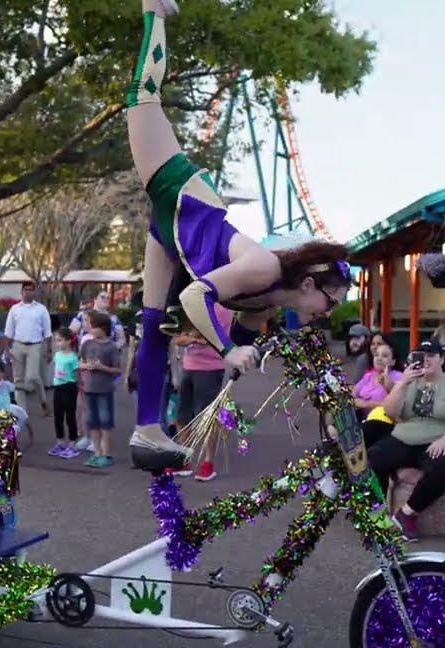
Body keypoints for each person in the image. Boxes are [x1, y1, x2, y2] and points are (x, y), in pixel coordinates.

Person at [123, 0, 352, 468]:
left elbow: (241, 344)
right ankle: (155, 12)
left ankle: (147, 431)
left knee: (152, 328)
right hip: (181, 192)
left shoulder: (267, 303)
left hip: (171, 237)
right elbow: (196, 301)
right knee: (144, 97)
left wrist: (244, 356)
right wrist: (229, 349)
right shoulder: (265, 267)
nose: (326, 313)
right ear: (309, 284)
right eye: (330, 303)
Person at [367, 340, 445, 542]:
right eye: (420, 354)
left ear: (441, 359)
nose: (425, 359)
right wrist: (402, 384)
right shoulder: (408, 382)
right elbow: (390, 412)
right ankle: (378, 516)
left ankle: (407, 514)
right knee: (372, 459)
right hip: (404, 437)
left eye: (430, 355)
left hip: (438, 439)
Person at [172, 303, 231, 482]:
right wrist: (189, 337)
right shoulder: (193, 303)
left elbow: (204, 333)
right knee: (181, 417)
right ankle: (185, 460)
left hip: (210, 368)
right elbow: (178, 338)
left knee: (206, 418)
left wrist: (191, 336)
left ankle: (208, 463)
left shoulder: (221, 307)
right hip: (189, 367)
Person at [81, 310, 123, 469]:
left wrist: (101, 367)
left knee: (105, 422)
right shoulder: (87, 344)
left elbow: (117, 369)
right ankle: (96, 453)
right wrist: (87, 366)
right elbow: (80, 363)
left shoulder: (111, 347)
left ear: (102, 328)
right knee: (92, 422)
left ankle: (106, 454)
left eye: (92, 325)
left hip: (104, 389)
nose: (89, 328)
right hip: (89, 388)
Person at [4, 282, 52, 417]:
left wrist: (49, 350)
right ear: (21, 292)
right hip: (18, 344)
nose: (28, 292)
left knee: (33, 376)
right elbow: (8, 331)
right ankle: (22, 411)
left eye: (31, 290)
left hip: (35, 345)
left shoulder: (41, 309)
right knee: (18, 380)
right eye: (26, 290)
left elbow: (47, 332)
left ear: (34, 292)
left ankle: (43, 401)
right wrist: (7, 349)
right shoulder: (14, 309)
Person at [354, 338, 403, 447]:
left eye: (384, 356)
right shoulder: (368, 376)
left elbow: (394, 404)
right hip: (363, 417)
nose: (379, 358)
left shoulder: (398, 377)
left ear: (393, 361)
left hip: (383, 421)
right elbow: (351, 395)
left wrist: (365, 403)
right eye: (376, 355)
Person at [48, 328, 82, 458]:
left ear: (68, 341)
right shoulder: (57, 355)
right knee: (58, 416)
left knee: (70, 416)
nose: (58, 343)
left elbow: (76, 374)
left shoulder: (73, 357)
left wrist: (76, 385)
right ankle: (60, 442)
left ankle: (72, 444)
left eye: (60, 340)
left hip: (69, 387)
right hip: (58, 387)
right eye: (56, 341)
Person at [0, 360, 29, 434]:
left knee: (21, 415)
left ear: (2, 375)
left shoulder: (6, 385)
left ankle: (14, 434)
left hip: (4, 410)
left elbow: (16, 387)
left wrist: (24, 388)